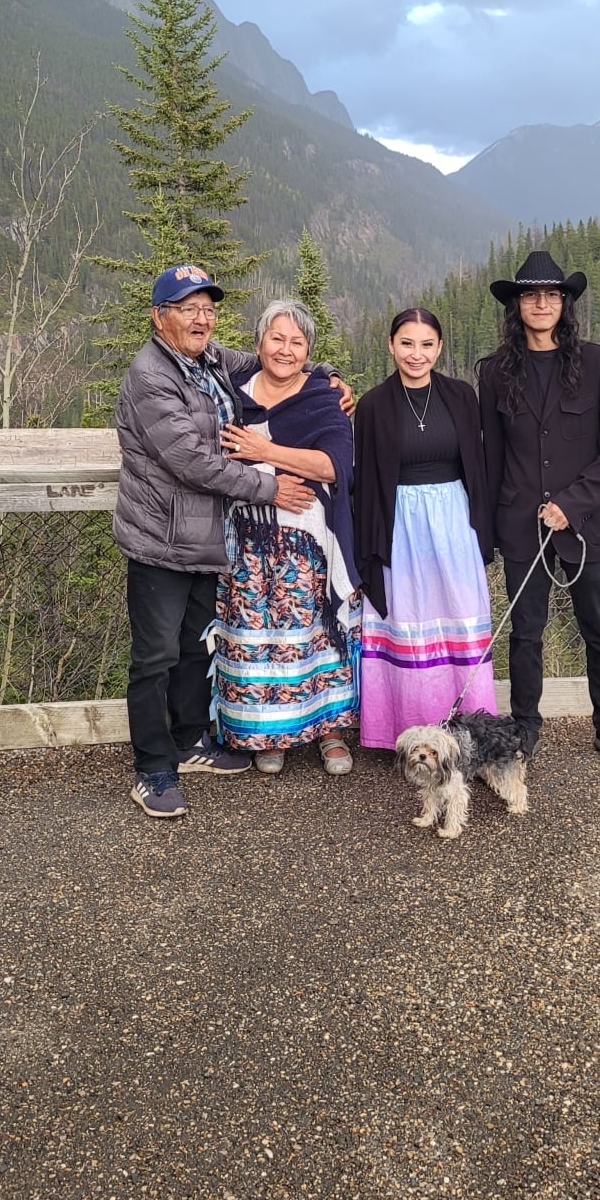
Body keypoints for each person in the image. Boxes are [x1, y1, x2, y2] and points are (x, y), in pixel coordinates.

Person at [114, 266, 345, 820]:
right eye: (187, 308)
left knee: (195, 646)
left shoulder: (210, 358)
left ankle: (193, 740)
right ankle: (153, 768)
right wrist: (269, 488)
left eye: (208, 309)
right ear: (159, 317)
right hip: (161, 538)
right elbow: (192, 461)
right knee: (155, 656)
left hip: (206, 537)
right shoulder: (150, 376)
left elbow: (273, 359)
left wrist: (327, 376)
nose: (201, 318)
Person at [477, 249, 600, 768]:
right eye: (531, 295)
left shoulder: (599, 364)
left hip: (588, 523)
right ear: (518, 305)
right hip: (521, 524)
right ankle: (525, 726)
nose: (542, 303)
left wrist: (571, 505)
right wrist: (488, 532)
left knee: (599, 627)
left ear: (565, 303)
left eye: (552, 295)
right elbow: (490, 458)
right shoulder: (497, 372)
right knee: (526, 630)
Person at [208, 300, 360, 774]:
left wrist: (264, 449)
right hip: (247, 542)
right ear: (259, 344)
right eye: (277, 338)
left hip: (310, 543)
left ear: (309, 352)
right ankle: (269, 730)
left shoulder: (322, 398)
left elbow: (335, 466)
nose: (286, 349)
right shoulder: (233, 396)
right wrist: (268, 482)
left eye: (297, 342)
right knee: (258, 634)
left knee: (316, 634)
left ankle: (331, 732)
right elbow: (214, 459)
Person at [352, 307, 497, 749]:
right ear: (391, 346)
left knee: (458, 615)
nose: (417, 354)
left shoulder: (460, 396)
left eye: (427, 344)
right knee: (406, 619)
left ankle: (471, 731)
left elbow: (478, 465)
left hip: (453, 520)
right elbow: (366, 478)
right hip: (400, 525)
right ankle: (406, 731)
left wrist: (480, 526)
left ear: (439, 347)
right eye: (407, 343)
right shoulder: (374, 404)